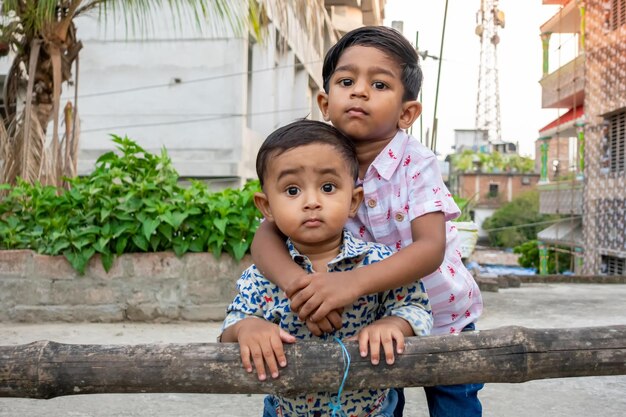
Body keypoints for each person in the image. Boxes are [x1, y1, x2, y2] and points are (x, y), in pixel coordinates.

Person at [250, 26, 484, 417]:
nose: (359, 91)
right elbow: (264, 236)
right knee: (378, 403)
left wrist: (349, 282)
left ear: (406, 112)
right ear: (325, 102)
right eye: (346, 80)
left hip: (443, 318)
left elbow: (429, 248)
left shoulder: (416, 164)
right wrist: (298, 287)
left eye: (378, 84)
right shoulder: (315, 158)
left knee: (455, 404)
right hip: (372, 322)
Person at [219, 119, 433, 417]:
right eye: (292, 190)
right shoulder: (262, 276)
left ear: (353, 201)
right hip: (285, 411)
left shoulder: (376, 261)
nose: (311, 202)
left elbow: (416, 307)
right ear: (266, 207)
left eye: (328, 187)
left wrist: (394, 324)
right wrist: (248, 328)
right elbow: (232, 324)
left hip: (371, 411)